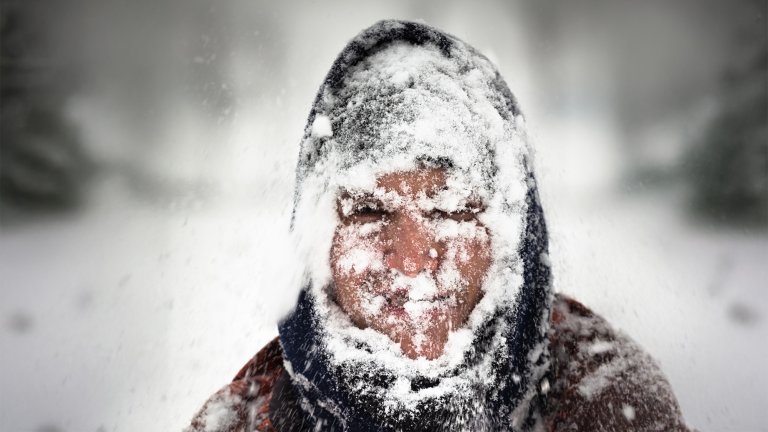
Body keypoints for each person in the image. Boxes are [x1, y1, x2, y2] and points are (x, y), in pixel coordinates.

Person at [187, 20, 690, 431]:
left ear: (511, 235)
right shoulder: (239, 422)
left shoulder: (608, 406)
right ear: (318, 237)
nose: (411, 259)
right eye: (368, 211)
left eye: (451, 211)